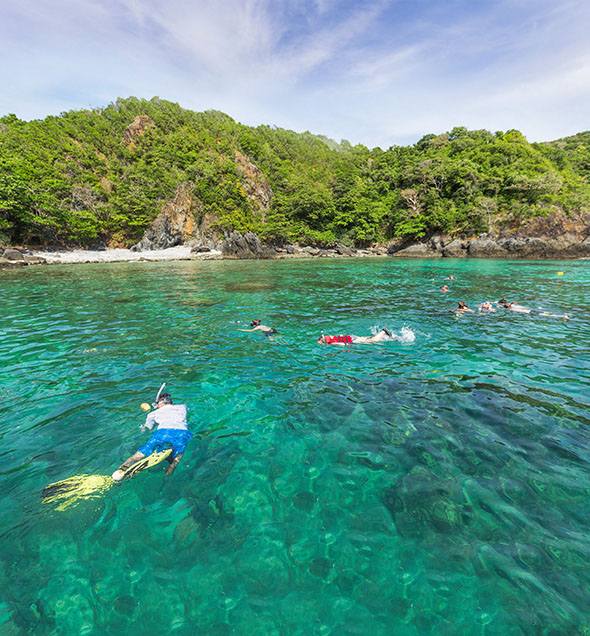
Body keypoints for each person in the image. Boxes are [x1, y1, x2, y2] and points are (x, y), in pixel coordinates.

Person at [112, 393, 192, 481]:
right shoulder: (182, 407)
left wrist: (144, 425)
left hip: (162, 433)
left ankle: (120, 471)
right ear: (171, 402)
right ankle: (167, 475)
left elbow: (147, 428)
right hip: (182, 433)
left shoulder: (153, 414)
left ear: (158, 404)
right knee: (177, 456)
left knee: (139, 455)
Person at [318, 328, 392, 345]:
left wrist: (346, 345)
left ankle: (383, 332)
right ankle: (384, 336)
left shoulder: (329, 342)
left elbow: (342, 344)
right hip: (351, 336)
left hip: (351, 341)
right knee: (367, 339)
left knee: (371, 341)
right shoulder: (329, 337)